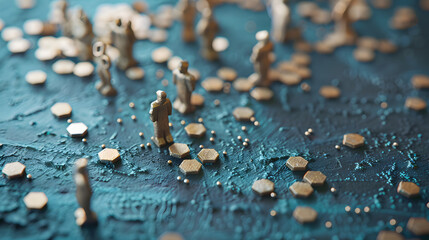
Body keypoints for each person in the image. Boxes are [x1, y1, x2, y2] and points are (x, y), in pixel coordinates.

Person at [74, 158, 97, 227]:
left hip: (83, 195)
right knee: (85, 205)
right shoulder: (83, 174)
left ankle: (88, 218)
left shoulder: (81, 178)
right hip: (84, 193)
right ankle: (87, 214)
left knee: (85, 204)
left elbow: (81, 187)